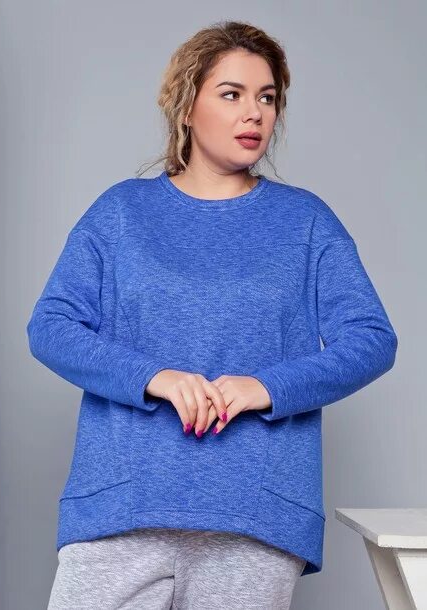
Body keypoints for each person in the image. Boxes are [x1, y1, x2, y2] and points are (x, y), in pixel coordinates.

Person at [26, 20, 398, 610]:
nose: (254, 113)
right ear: (186, 107)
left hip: (253, 516)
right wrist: (156, 377)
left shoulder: (305, 222)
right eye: (232, 94)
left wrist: (265, 387)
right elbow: (51, 327)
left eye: (267, 97)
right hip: (124, 507)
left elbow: (372, 339)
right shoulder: (121, 212)